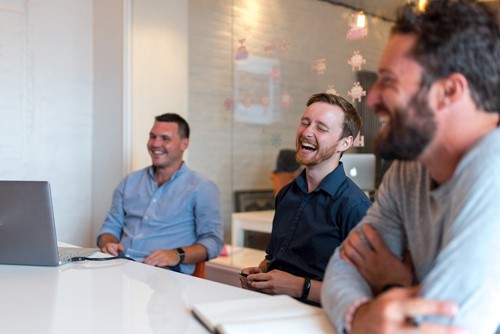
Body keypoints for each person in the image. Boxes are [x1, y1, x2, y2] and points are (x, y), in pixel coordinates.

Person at [321, 0, 500, 333]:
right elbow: (347, 265)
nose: (372, 98)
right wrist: (359, 315)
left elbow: (443, 324)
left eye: (387, 81)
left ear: (449, 91)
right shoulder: (411, 168)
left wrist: (391, 287)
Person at [240, 93, 371, 305]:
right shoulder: (286, 194)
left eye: (321, 128)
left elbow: (364, 291)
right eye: (305, 122)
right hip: (269, 311)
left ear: (344, 143)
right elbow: (274, 258)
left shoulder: (355, 207)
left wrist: (299, 286)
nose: (307, 132)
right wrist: (261, 271)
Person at [96, 113, 224, 275]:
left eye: (165, 138)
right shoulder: (130, 182)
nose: (156, 144)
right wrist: (108, 243)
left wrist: (176, 254)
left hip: (165, 276)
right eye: (152, 136)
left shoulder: (202, 188)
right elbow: (109, 228)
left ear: (184, 144)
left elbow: (214, 242)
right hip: (120, 266)